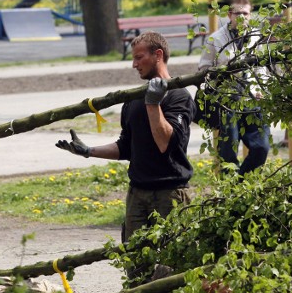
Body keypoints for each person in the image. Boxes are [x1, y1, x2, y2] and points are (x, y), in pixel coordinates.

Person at [56, 31, 196, 243]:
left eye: (139, 57)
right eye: (133, 58)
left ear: (158, 55)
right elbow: (127, 147)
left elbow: (165, 143)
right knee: (135, 265)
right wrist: (89, 151)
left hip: (170, 195)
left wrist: (153, 103)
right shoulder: (133, 99)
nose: (134, 64)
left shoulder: (179, 96)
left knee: (174, 262)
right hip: (137, 194)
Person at [198, 0, 270, 177]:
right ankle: (229, 188)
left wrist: (260, 88)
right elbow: (204, 69)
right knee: (228, 151)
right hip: (227, 101)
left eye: (245, 13)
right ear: (229, 15)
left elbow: (262, 67)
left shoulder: (256, 37)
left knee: (261, 147)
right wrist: (221, 76)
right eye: (237, 13)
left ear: (251, 14)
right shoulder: (215, 39)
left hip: (251, 98)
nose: (241, 17)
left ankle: (241, 184)